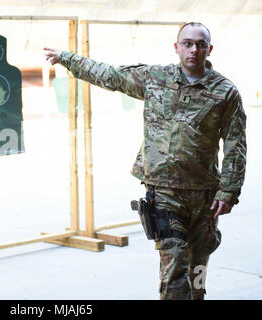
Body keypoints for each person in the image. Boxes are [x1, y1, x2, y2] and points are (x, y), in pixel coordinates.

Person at [44, 22, 247, 300]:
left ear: (209, 49)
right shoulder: (155, 78)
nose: (194, 49)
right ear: (176, 47)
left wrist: (229, 191)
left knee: (198, 269)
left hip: (204, 197)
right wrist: (68, 58)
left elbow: (236, 144)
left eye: (200, 44)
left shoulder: (225, 92)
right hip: (164, 194)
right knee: (175, 266)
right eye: (187, 43)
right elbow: (110, 76)